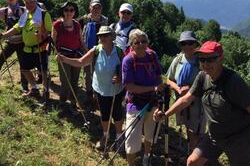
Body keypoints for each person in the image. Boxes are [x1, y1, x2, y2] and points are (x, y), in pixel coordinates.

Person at [154, 41, 250, 166]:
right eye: (202, 59)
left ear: (221, 58)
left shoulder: (234, 82)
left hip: (237, 137)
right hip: (214, 135)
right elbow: (186, 99)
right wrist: (165, 114)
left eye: (210, 59)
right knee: (193, 162)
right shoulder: (203, 77)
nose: (205, 63)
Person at [57, 26, 124, 149]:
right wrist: (64, 59)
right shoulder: (96, 51)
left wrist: (120, 77)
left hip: (116, 90)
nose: (103, 38)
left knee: (117, 114)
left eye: (106, 35)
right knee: (104, 113)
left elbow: (126, 70)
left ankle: (119, 137)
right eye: (100, 36)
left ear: (112, 36)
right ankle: (106, 136)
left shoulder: (119, 51)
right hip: (100, 89)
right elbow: (81, 62)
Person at [122, 29, 165, 166]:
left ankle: (146, 157)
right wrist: (152, 88)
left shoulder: (152, 55)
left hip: (153, 102)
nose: (141, 44)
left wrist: (159, 89)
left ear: (148, 43)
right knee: (131, 139)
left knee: (150, 134)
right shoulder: (128, 60)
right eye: (137, 42)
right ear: (132, 45)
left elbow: (158, 75)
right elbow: (129, 87)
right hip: (135, 104)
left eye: (143, 41)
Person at [0, 0, 52, 100]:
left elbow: (50, 29)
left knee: (43, 71)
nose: (29, 4)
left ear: (36, 2)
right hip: (27, 48)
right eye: (27, 2)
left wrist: (42, 35)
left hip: (40, 48)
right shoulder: (25, 15)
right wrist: (4, 36)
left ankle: (46, 91)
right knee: (25, 69)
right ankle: (34, 89)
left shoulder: (43, 14)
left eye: (31, 2)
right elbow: (17, 28)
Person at [166, 31, 206, 151]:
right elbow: (169, 79)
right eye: (184, 43)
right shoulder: (178, 59)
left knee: (195, 130)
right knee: (187, 127)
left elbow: (207, 80)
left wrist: (190, 88)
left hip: (197, 102)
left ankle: (195, 156)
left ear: (195, 44)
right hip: (180, 100)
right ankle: (192, 153)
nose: (187, 46)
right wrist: (178, 88)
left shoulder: (202, 60)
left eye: (190, 43)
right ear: (181, 45)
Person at [52, 1, 85, 113]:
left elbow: (81, 41)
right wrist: (56, 54)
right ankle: (62, 101)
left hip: (76, 56)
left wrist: (86, 54)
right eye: (66, 10)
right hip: (63, 56)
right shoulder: (57, 25)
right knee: (65, 80)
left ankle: (73, 102)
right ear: (63, 11)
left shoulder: (77, 25)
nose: (69, 12)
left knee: (75, 80)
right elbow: (53, 42)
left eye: (71, 10)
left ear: (74, 12)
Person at [78, 0, 108, 104]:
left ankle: (97, 94)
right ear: (89, 8)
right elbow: (78, 33)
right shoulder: (83, 20)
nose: (95, 10)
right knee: (87, 74)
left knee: (99, 73)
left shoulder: (105, 20)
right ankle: (89, 95)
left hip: (101, 52)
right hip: (86, 51)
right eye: (93, 7)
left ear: (101, 9)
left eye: (98, 7)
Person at [0, 0, 28, 92]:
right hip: (10, 42)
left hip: (23, 42)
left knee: (23, 65)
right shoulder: (3, 11)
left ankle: (24, 87)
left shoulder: (24, 10)